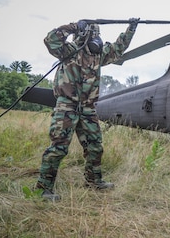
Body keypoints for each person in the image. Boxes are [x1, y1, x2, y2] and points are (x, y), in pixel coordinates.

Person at [36, 18, 139, 201]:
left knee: (95, 147)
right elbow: (50, 40)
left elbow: (118, 48)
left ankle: (93, 181)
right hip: (66, 106)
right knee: (58, 148)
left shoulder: (99, 55)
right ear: (83, 36)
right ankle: (43, 188)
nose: (97, 38)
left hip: (88, 108)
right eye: (93, 34)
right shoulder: (67, 51)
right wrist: (72, 27)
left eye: (97, 34)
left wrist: (131, 28)